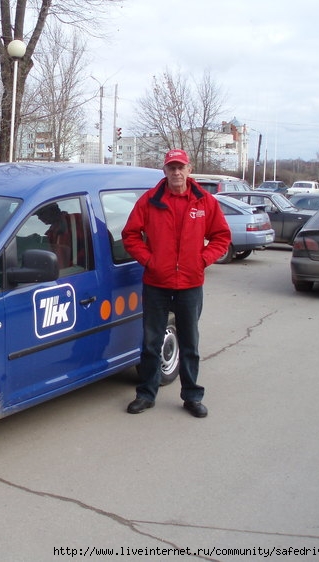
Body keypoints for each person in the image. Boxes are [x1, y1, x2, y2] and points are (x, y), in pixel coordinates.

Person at [121, 149, 231, 418]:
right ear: (165, 171)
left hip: (190, 284)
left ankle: (192, 396)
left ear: (189, 169)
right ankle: (146, 394)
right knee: (150, 342)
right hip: (157, 283)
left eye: (180, 167)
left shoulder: (204, 202)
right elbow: (130, 235)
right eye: (171, 167)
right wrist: (150, 260)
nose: (176, 172)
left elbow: (221, 237)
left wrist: (202, 259)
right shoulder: (150, 201)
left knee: (190, 342)